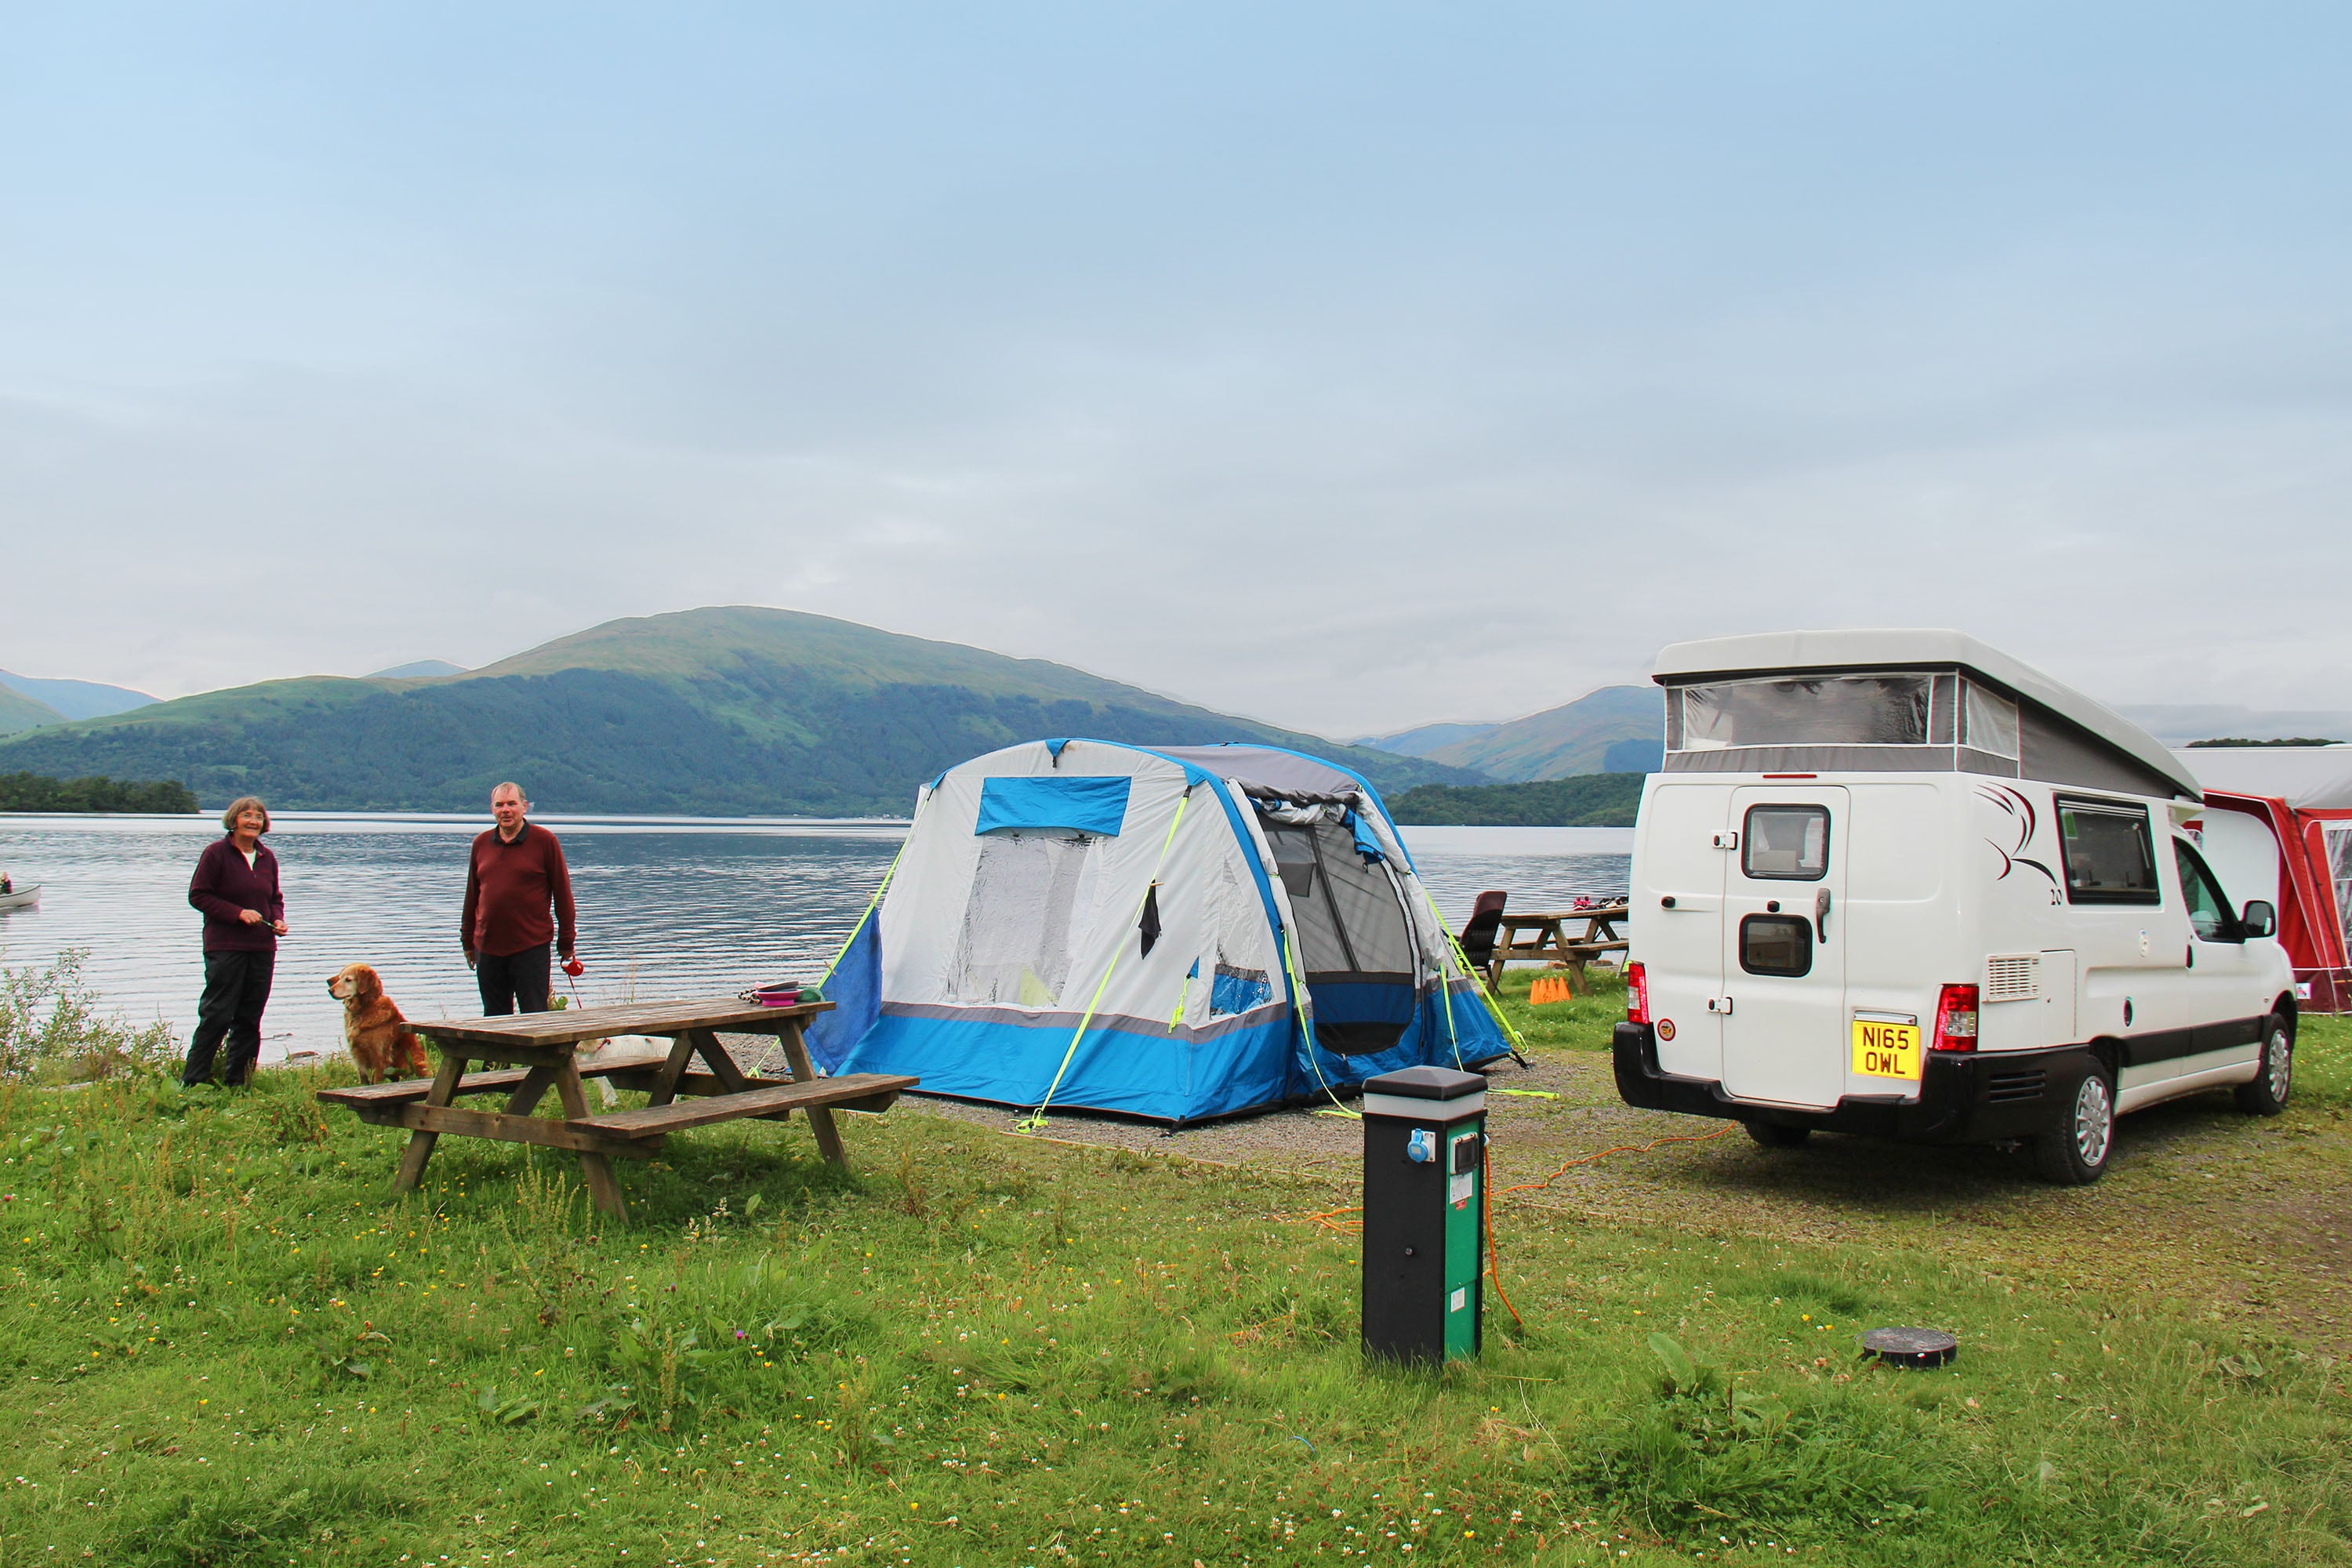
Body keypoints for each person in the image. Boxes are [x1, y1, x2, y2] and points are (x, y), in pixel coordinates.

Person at [183, 796, 287, 1087]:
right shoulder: (216, 854)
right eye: (247, 816)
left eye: (258, 817)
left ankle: (238, 1083)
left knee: (250, 1017)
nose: (253, 821)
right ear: (234, 820)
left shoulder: (268, 858)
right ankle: (193, 1083)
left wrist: (277, 919)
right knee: (217, 1014)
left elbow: (275, 899)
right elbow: (198, 896)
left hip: (262, 948)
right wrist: (237, 913)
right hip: (225, 947)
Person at [460, 782, 576, 1015]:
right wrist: (467, 941)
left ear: (524, 807)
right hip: (488, 947)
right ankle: (497, 1054)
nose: (506, 810)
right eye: (499, 805)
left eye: (512, 804)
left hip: (530, 947)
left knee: (534, 1018)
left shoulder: (545, 841)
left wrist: (566, 942)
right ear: (492, 809)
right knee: (495, 1021)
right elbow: (472, 896)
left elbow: (563, 895)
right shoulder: (480, 844)